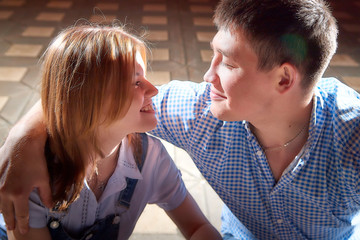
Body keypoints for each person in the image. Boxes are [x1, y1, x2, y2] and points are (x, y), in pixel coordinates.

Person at [1, 0, 359, 239]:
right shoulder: (199, 112)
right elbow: (79, 93)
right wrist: (20, 141)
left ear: (284, 79)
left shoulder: (352, 137)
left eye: (229, 63)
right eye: (213, 55)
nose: (208, 75)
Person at [0, 25, 222, 240]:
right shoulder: (32, 175)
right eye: (136, 82)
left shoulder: (151, 159)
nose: (154, 90)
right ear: (88, 101)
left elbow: (197, 226)